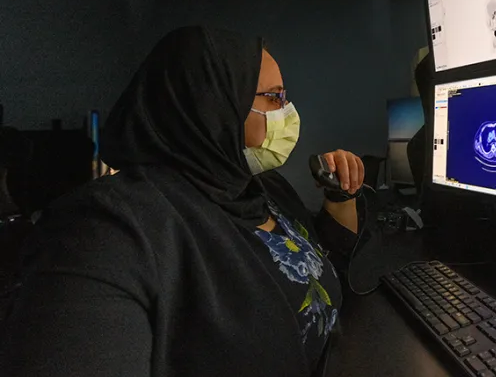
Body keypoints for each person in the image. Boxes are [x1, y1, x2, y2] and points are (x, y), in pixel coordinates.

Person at [0, 27, 365, 376]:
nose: (287, 112)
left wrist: (340, 194)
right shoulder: (107, 229)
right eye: (275, 97)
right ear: (214, 106)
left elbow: (326, 263)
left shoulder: (264, 188)